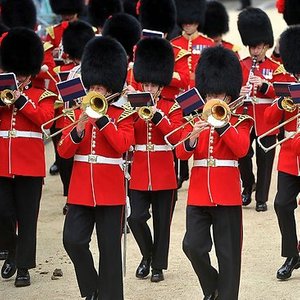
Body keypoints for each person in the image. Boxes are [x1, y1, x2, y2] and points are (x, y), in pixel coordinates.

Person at [58, 36, 135, 300]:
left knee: (110, 250)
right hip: (80, 190)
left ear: (111, 87)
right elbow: (63, 151)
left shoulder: (122, 115)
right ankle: (91, 289)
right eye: (93, 86)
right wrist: (79, 126)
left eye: (101, 87)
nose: (96, 91)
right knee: (73, 240)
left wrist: (102, 121)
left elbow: (122, 145)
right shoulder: (76, 113)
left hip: (110, 190)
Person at [176, 45, 253, 300]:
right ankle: (212, 288)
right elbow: (181, 154)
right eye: (209, 94)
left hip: (227, 194)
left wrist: (222, 124)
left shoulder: (241, 120)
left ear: (229, 97)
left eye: (217, 95)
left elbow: (241, 149)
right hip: (198, 194)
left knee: (228, 255)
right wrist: (191, 138)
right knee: (193, 246)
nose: (212, 100)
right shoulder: (195, 119)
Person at [0, 27, 56, 287]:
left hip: (30, 165)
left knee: (27, 217)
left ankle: (23, 267)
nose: (20, 77)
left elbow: (44, 119)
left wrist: (21, 100)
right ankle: (11, 250)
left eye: (24, 73)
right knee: (3, 212)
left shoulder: (42, 95)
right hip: (2, 163)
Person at [128, 36, 183, 283]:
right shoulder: (133, 106)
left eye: (153, 85)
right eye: (145, 84)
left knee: (162, 224)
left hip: (164, 174)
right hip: (139, 171)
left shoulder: (173, 107)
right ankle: (147, 255)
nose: (148, 89)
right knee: (135, 218)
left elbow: (175, 137)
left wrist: (158, 115)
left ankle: (158, 266)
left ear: (161, 86)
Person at [236, 7, 287, 211]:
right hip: (246, 116)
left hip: (267, 119)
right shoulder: (242, 64)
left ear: (266, 45)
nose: (254, 51)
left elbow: (282, 93)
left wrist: (264, 85)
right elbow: (231, 89)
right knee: (242, 154)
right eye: (251, 47)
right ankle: (248, 186)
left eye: (258, 47)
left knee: (265, 160)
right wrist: (240, 90)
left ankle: (261, 199)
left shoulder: (276, 68)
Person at [264, 25, 300, 280]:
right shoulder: (286, 81)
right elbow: (268, 119)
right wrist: (279, 103)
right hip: (289, 155)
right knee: (281, 204)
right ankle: (292, 254)